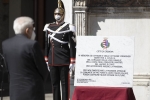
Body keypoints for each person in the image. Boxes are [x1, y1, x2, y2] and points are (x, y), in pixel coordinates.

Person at [2, 16, 49, 100]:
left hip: (15, 91)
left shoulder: (6, 44)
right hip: (33, 92)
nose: (33, 31)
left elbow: (8, 67)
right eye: (32, 29)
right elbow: (43, 69)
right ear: (27, 30)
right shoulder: (32, 45)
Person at [43, 0, 76, 100]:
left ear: (63, 15)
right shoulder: (48, 27)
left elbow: (73, 45)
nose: (57, 15)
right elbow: (46, 44)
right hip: (52, 59)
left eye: (59, 14)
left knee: (65, 84)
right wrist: (46, 59)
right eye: (56, 13)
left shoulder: (69, 27)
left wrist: (72, 60)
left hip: (64, 59)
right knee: (55, 84)